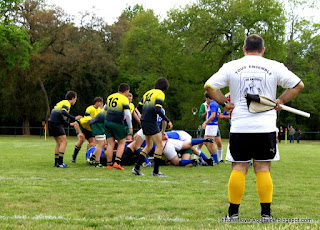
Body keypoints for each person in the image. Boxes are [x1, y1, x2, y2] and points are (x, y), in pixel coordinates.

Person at [204, 34, 304, 221]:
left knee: (239, 167)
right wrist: (280, 100)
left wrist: (225, 103)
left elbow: (209, 86)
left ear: (244, 49)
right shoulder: (274, 66)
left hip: (240, 126)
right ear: (263, 49)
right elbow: (298, 85)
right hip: (265, 126)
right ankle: (266, 214)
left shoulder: (231, 66)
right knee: (263, 167)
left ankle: (233, 214)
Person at [132, 77, 173, 177]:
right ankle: (156, 172)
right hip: (151, 121)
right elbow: (158, 110)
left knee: (149, 146)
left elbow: (138, 107)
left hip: (144, 121)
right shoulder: (160, 94)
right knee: (159, 145)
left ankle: (137, 168)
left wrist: (144, 116)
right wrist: (168, 120)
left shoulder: (148, 93)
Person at [48, 91, 83, 168]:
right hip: (56, 123)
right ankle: (60, 163)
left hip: (51, 122)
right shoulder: (67, 103)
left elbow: (60, 116)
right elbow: (63, 112)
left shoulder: (62, 102)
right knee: (64, 141)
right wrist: (74, 118)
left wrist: (69, 123)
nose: (75, 101)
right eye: (75, 99)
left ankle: (56, 162)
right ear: (73, 98)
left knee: (58, 142)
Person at [104, 83, 133, 170]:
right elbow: (127, 114)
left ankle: (109, 164)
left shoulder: (110, 96)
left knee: (110, 143)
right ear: (126, 91)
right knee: (121, 142)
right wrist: (130, 126)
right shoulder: (124, 98)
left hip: (107, 121)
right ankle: (117, 162)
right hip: (117, 122)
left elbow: (104, 109)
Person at [72, 97, 103, 163]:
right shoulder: (89, 109)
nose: (101, 104)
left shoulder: (100, 110)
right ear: (97, 102)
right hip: (82, 127)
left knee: (92, 143)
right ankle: (74, 157)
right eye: (100, 102)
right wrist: (80, 133)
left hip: (90, 129)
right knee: (81, 139)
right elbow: (77, 123)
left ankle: (88, 157)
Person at [201, 93, 220, 164]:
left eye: (206, 98)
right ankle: (212, 157)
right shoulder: (212, 104)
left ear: (208, 98)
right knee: (206, 142)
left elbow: (213, 115)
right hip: (210, 125)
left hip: (212, 125)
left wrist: (205, 122)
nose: (206, 100)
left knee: (211, 143)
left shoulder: (213, 104)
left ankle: (215, 160)